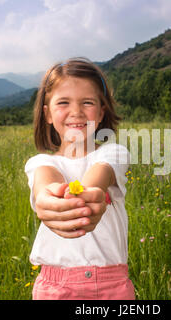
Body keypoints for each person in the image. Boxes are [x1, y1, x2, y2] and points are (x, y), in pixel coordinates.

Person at [24, 57, 135, 300]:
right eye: (63, 102)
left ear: (102, 111)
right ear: (48, 114)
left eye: (88, 102)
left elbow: (99, 175)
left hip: (111, 287)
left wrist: (89, 196)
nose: (76, 112)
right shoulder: (40, 163)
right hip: (54, 288)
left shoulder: (113, 153)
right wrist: (47, 199)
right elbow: (46, 185)